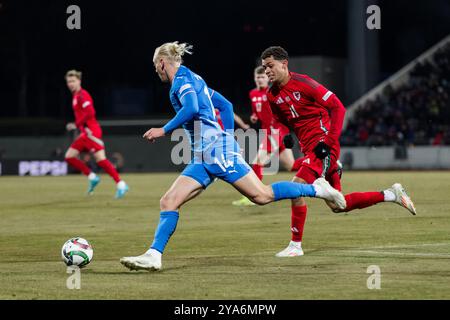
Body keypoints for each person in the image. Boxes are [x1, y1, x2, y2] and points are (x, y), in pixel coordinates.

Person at [120, 41, 346, 271]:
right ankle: (154, 255)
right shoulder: (194, 78)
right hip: (204, 154)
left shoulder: (182, 82)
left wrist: (163, 130)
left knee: (262, 196)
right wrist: (229, 138)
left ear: (161, 62)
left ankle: (318, 190)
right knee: (168, 201)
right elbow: (226, 105)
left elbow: (191, 109)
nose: (155, 70)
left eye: (155, 65)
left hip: (214, 151)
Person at [260, 46, 417, 257]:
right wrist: (286, 133)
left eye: (270, 66)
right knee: (338, 206)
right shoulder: (272, 95)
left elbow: (337, 107)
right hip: (309, 150)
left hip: (323, 146)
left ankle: (295, 246)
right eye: (264, 67)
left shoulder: (304, 83)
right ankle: (392, 194)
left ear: (284, 64)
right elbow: (279, 121)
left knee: (294, 188)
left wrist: (330, 142)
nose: (266, 71)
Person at [232, 66, 300, 206]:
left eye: (263, 77)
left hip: (276, 132)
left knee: (258, 162)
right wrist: (254, 117)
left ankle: (252, 196)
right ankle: (322, 162)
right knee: (291, 166)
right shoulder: (253, 93)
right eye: (258, 77)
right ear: (254, 78)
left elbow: (282, 111)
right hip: (267, 132)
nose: (260, 79)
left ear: (267, 79)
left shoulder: (273, 92)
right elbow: (257, 112)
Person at [64, 70, 129, 199]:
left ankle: (117, 183)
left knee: (97, 159)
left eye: (73, 81)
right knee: (74, 156)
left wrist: (77, 125)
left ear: (79, 81)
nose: (70, 84)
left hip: (91, 132)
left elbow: (90, 112)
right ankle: (97, 178)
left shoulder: (82, 95)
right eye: (68, 82)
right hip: (86, 133)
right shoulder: (76, 96)